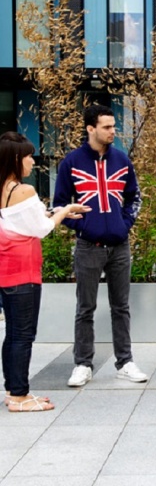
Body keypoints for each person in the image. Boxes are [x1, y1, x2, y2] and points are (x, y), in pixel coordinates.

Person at [53, 104, 147, 387]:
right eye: (106, 127)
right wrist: (82, 226)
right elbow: (59, 206)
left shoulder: (122, 160)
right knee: (85, 308)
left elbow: (134, 198)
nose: (112, 131)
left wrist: (124, 224)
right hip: (88, 246)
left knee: (121, 307)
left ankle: (125, 362)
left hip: (120, 246)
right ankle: (82, 364)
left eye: (113, 126)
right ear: (90, 129)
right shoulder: (71, 163)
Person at [0, 132, 90, 412]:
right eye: (29, 156)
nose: (32, 161)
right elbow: (41, 229)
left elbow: (26, 221)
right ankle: (19, 396)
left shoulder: (4, 189)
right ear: (16, 159)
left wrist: (59, 211)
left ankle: (13, 390)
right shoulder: (23, 190)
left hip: (7, 271)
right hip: (23, 272)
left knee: (13, 333)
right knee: (23, 334)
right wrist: (66, 210)